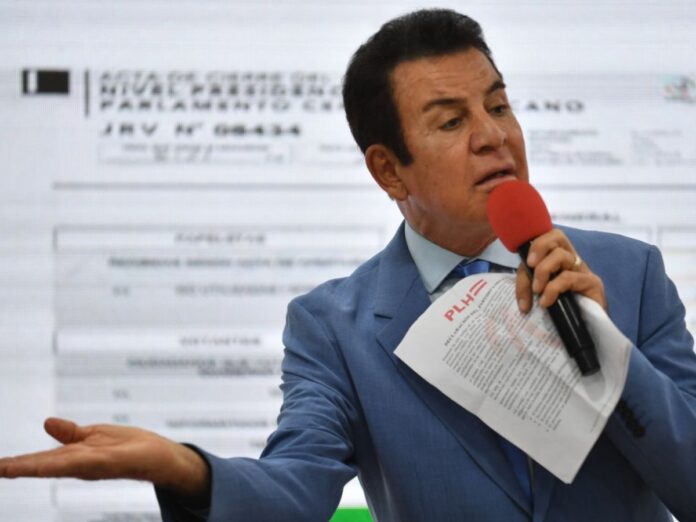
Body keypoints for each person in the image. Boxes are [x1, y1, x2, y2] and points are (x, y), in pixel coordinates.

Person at [2, 9, 696, 522]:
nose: (493, 135)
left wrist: (607, 352)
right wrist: (187, 470)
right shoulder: (334, 326)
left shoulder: (627, 274)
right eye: (451, 121)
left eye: (498, 104)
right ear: (389, 170)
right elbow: (297, 487)